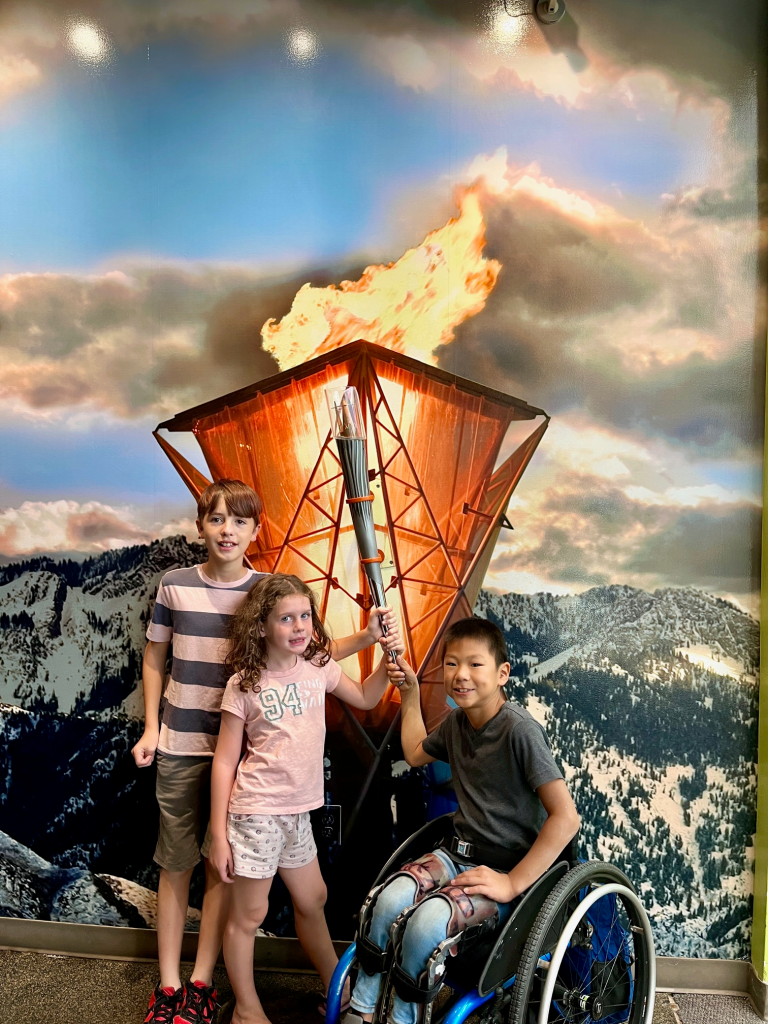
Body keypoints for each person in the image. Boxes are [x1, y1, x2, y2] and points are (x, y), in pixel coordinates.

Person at [131, 479, 400, 1024]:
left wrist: (374, 644)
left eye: (240, 521)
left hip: (271, 783)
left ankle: (212, 983)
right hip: (200, 755)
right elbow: (156, 658)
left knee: (254, 882)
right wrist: (150, 728)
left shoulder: (278, 609)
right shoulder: (181, 594)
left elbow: (317, 653)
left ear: (256, 530)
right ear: (201, 523)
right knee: (191, 871)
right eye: (216, 518)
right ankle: (185, 992)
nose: (227, 529)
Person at [347, 617, 581, 1024]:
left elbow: (566, 819)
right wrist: (410, 694)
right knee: (386, 900)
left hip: (506, 869)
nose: (461, 675)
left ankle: (402, 1020)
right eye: (452, 664)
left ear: (502, 673)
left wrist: (510, 883)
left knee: (426, 925)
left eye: (475, 664)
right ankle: (362, 1011)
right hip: (456, 854)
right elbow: (417, 752)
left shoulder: (519, 730)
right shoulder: (458, 723)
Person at [209, 572, 404, 1024]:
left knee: (313, 899)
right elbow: (223, 762)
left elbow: (365, 697)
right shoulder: (244, 683)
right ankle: (246, 1009)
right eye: (286, 619)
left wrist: (383, 667)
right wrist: (219, 835)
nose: (299, 627)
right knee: (249, 915)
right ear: (260, 626)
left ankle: (341, 991)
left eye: (304, 617)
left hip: (298, 813)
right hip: (256, 812)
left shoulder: (316, 667)